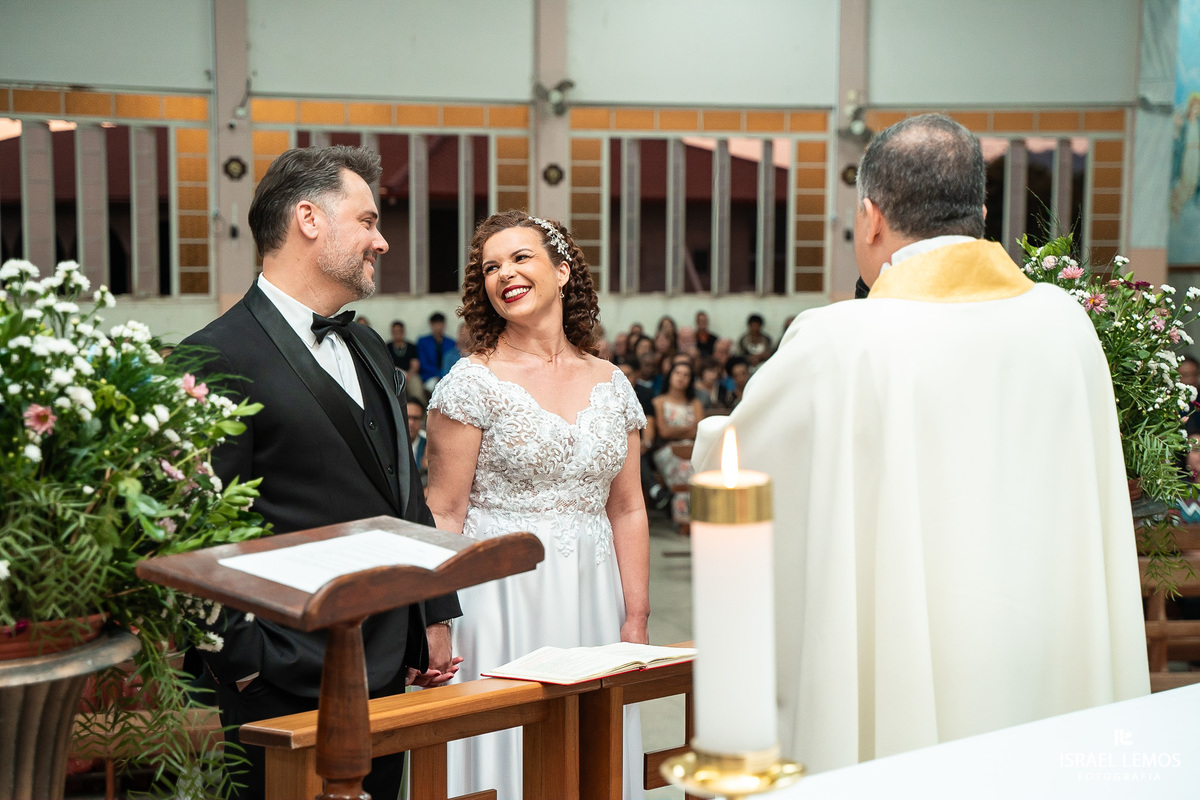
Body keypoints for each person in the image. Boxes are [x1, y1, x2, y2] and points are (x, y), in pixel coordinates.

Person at [694, 114, 1148, 774]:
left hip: (916, 665)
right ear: (983, 213)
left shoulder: (840, 342)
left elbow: (739, 468)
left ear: (871, 219)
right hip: (1046, 657)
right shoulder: (1065, 324)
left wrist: (708, 440)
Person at [177, 145, 461, 800]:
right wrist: (245, 666)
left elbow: (401, 488)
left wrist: (433, 614)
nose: (382, 241)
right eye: (366, 220)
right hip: (281, 677)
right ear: (309, 218)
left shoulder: (365, 342)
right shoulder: (211, 358)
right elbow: (192, 534)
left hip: (389, 665)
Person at [425, 211, 650, 799]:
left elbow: (627, 508)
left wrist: (635, 616)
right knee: (506, 753)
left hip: (594, 597)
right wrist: (434, 618)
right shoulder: (470, 385)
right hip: (499, 597)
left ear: (562, 269)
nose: (505, 273)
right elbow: (442, 512)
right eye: (491, 267)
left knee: (589, 752)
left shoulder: (611, 382)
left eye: (521, 257)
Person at [651, 360, 703, 528]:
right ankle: (683, 520)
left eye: (686, 375)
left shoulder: (695, 403)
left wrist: (677, 430)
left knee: (694, 464)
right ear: (670, 376)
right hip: (667, 449)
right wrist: (688, 429)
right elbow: (664, 432)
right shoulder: (659, 402)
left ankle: (699, 518)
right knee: (684, 468)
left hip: (692, 448)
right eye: (677, 373)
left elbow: (699, 431)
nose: (681, 377)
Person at [417, 311, 452, 391]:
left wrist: (442, 375)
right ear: (431, 325)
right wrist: (436, 375)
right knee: (433, 387)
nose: (438, 327)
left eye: (440, 324)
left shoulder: (451, 343)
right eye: (436, 324)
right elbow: (423, 363)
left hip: (447, 375)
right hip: (429, 376)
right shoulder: (423, 341)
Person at [407, 397, 428, 484]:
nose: (411, 423)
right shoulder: (391, 444)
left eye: (415, 418)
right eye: (407, 417)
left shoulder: (428, 445)